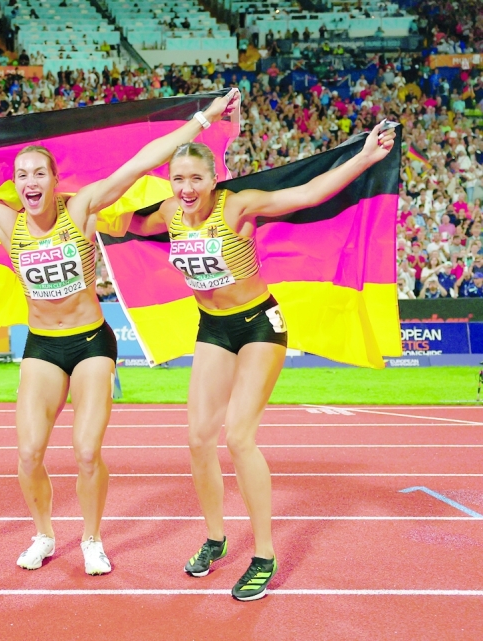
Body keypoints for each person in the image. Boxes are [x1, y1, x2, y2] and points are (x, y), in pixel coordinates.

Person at [0, 91, 240, 575]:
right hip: (42, 346)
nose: (30, 182)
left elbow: (141, 163)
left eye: (39, 173)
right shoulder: (4, 220)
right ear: (15, 185)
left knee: (85, 450)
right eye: (22, 175)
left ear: (55, 181)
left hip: (92, 341)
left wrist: (203, 119)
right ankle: (44, 534)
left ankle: (92, 539)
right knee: (29, 453)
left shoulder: (81, 210)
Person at [127, 121, 397, 600]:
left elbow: (309, 193)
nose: (186, 189)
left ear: (213, 180)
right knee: (196, 439)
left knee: (239, 436)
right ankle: (215, 538)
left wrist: (364, 158)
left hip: (258, 325)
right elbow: (123, 221)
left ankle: (264, 555)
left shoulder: (238, 205)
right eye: (178, 179)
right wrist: (77, 208)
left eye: (195, 179)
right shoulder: (169, 213)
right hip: (211, 326)